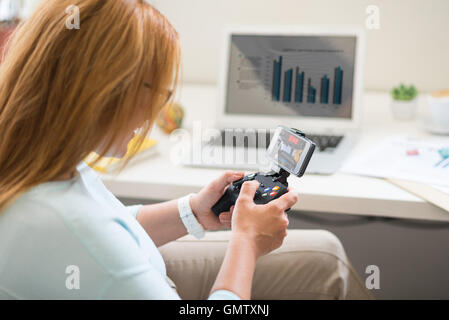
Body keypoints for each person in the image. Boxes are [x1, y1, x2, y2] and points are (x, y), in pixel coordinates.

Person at [0, 0, 371, 300]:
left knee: (327, 254)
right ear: (104, 90)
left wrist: (193, 212)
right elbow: (96, 241)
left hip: (140, 268)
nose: (159, 112)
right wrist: (246, 242)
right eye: (158, 94)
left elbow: (112, 226)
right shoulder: (75, 234)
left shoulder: (40, 160)